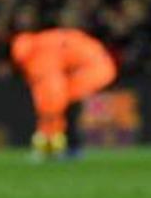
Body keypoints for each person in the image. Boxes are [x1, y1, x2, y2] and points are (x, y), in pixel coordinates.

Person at [10, 27, 118, 160]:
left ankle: (54, 148)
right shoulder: (43, 41)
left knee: (59, 108)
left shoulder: (39, 57)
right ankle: (68, 148)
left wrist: (46, 117)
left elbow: (52, 92)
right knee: (66, 107)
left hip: (94, 69)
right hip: (99, 64)